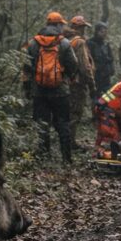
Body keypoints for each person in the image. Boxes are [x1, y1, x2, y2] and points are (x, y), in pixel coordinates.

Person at [24, 12, 79, 163]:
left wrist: (28, 88)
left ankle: (43, 158)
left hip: (39, 91)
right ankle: (66, 159)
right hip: (60, 91)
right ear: (57, 25)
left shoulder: (33, 43)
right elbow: (74, 64)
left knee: (42, 124)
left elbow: (26, 67)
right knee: (63, 124)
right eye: (61, 24)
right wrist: (67, 76)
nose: (62, 27)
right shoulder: (64, 43)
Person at [63, 15, 97, 150]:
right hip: (77, 83)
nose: (84, 30)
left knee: (67, 112)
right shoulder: (79, 42)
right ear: (78, 28)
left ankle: (67, 140)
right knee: (75, 113)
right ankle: (69, 142)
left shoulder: (64, 40)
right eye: (83, 27)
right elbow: (85, 66)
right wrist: (92, 84)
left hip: (65, 82)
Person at [88, 22, 115, 93]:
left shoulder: (106, 44)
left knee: (109, 95)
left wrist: (111, 69)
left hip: (106, 76)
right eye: (102, 32)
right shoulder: (90, 43)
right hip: (96, 75)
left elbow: (111, 58)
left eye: (105, 32)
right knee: (96, 95)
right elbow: (88, 60)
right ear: (97, 31)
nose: (104, 34)